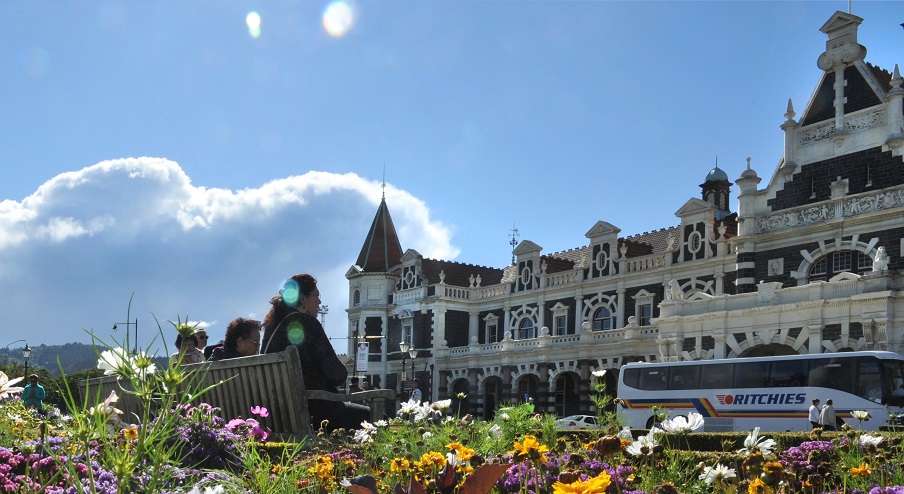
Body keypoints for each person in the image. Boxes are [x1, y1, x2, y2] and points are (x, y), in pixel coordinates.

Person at [261, 273, 370, 432]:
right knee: (376, 418)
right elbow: (338, 375)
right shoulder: (308, 323)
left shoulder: (271, 327)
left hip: (278, 414)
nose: (319, 301)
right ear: (303, 298)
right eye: (316, 295)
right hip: (315, 413)